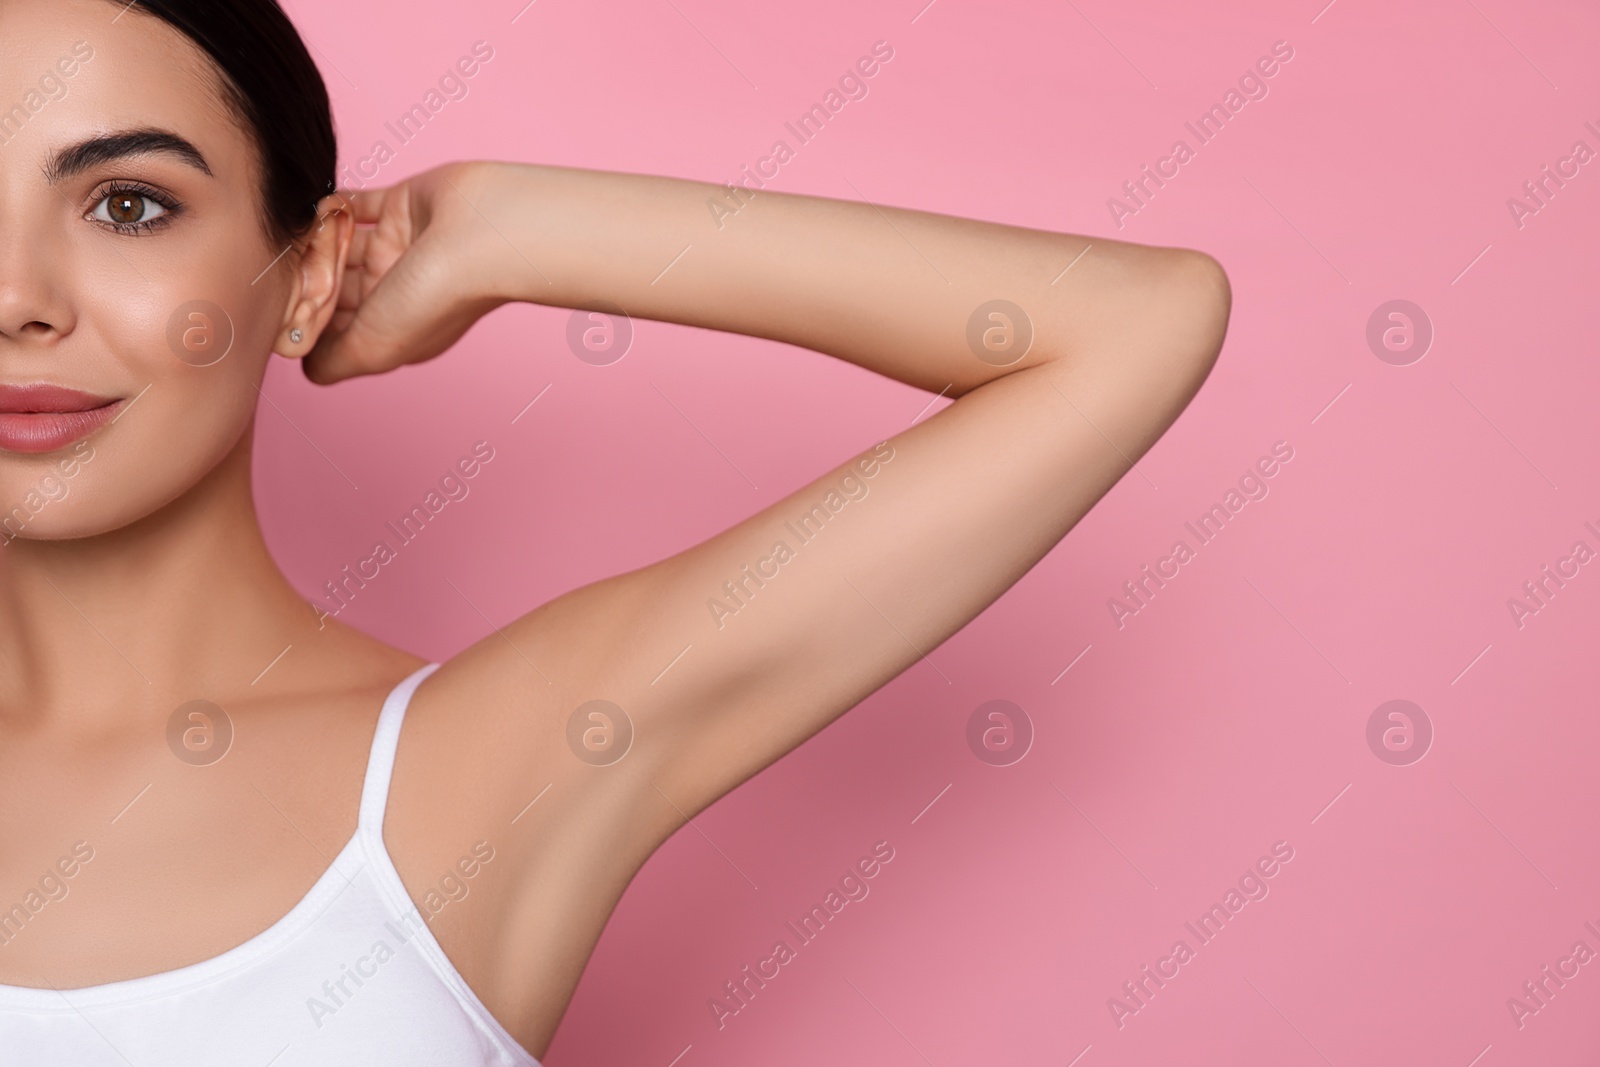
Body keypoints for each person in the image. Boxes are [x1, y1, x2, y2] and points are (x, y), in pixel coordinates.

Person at [0, 0, 1231, 1061]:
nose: (18, 299)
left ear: (306, 275)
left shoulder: (490, 763)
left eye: (126, 203)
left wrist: (505, 227)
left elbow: (1129, 327)